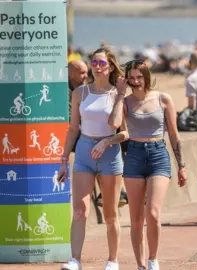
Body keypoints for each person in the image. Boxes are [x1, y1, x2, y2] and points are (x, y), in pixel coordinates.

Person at [108, 59, 187, 270]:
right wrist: (120, 95)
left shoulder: (163, 98)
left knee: (152, 212)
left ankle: (153, 259)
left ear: (146, 77)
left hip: (158, 155)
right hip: (133, 155)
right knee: (136, 216)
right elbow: (115, 125)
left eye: (139, 77)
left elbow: (173, 134)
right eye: (131, 78)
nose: (136, 81)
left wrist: (181, 165)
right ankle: (140, 264)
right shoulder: (126, 102)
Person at [57, 47, 127, 270]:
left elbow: (123, 131)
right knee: (79, 210)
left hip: (109, 151)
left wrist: (106, 141)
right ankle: (75, 259)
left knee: (110, 213)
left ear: (111, 67)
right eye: (94, 62)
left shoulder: (118, 93)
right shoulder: (80, 93)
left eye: (102, 63)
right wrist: (63, 159)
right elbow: (72, 129)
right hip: (85, 151)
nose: (97, 67)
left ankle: (112, 260)